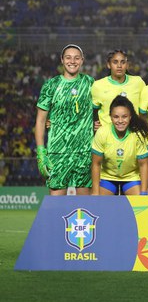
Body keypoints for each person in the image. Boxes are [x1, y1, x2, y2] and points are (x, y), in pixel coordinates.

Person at [35, 44, 95, 195]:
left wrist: (99, 124)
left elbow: (104, 109)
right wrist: (41, 151)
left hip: (84, 152)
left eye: (76, 58)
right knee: (56, 204)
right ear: (62, 60)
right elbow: (41, 120)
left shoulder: (90, 83)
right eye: (68, 57)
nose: (72, 61)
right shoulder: (51, 85)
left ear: (82, 60)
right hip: (58, 152)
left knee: (84, 205)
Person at [90, 95, 148, 195]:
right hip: (107, 178)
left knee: (139, 200)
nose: (120, 121)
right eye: (116, 117)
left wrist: (143, 192)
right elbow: (96, 164)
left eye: (124, 117)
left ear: (130, 116)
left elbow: (143, 165)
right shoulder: (102, 133)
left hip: (131, 177)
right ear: (110, 117)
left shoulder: (138, 135)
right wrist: (95, 192)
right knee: (100, 202)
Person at [91, 49, 145, 129]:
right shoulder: (98, 85)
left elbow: (145, 110)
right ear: (109, 65)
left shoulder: (138, 82)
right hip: (107, 135)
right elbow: (91, 111)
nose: (119, 66)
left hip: (133, 133)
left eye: (123, 62)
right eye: (115, 62)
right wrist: (93, 123)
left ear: (127, 65)